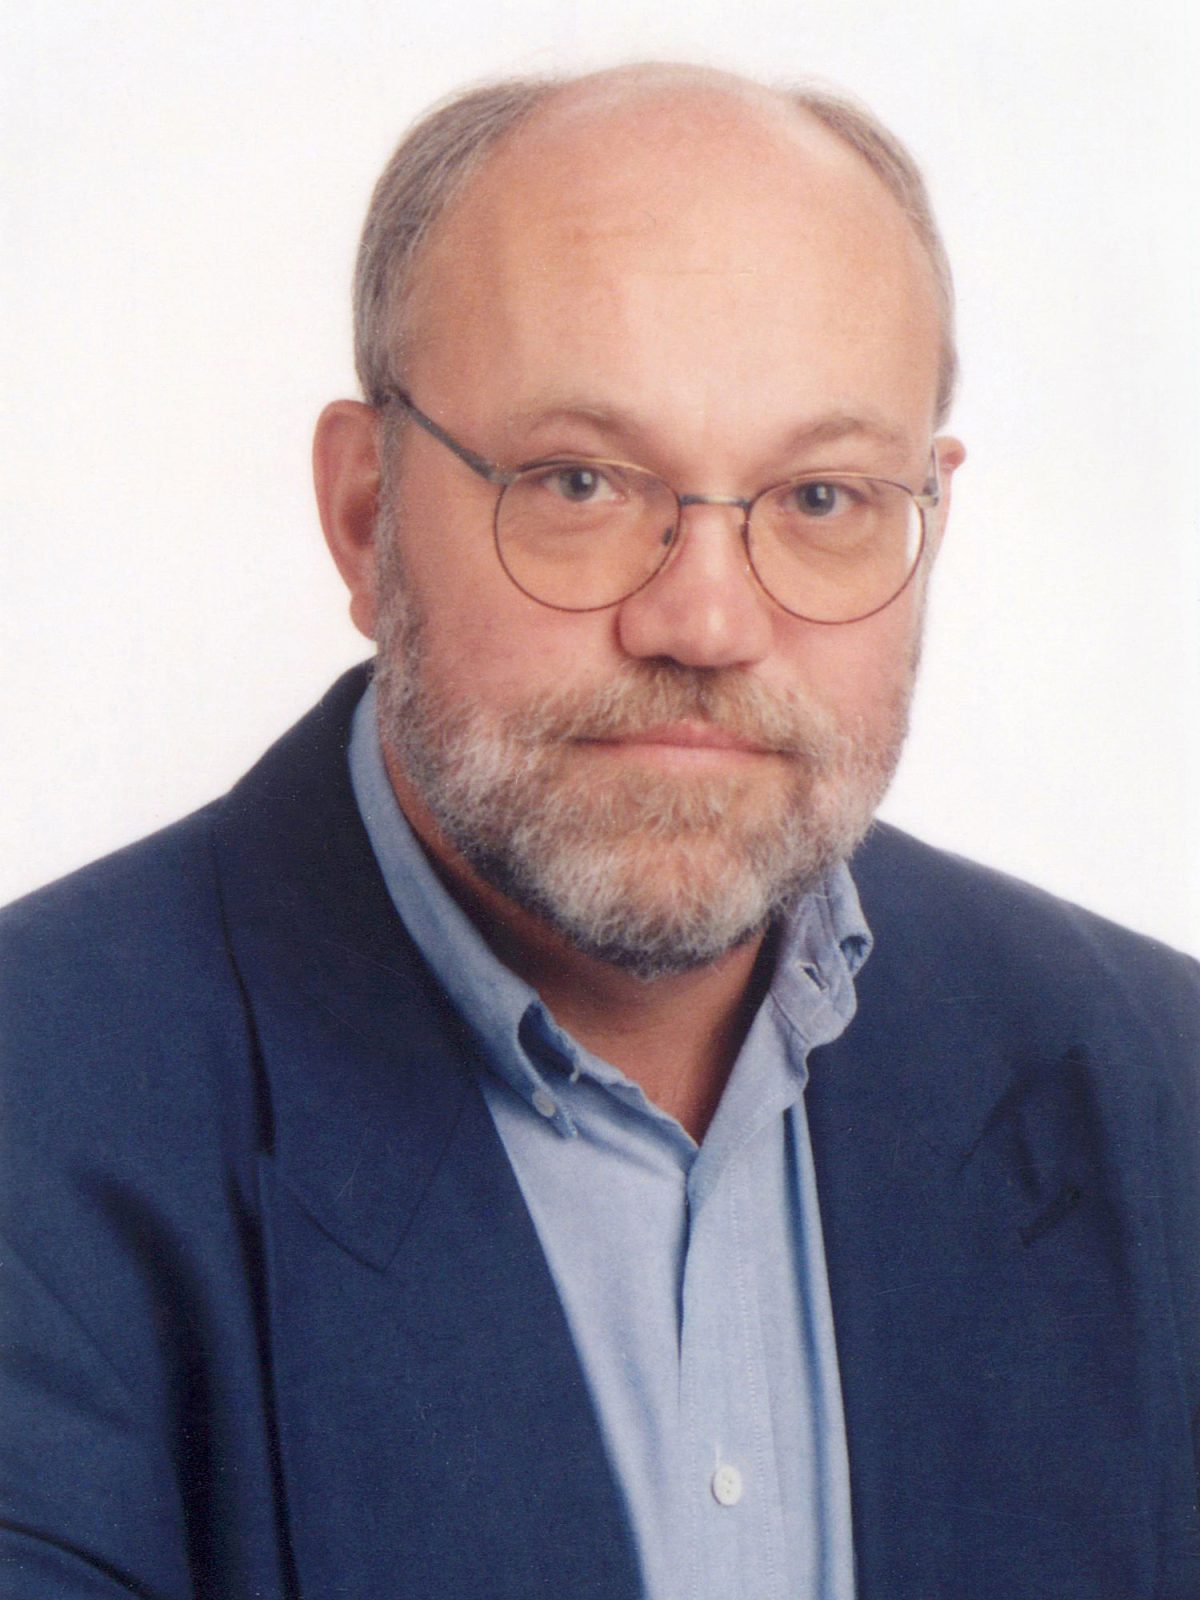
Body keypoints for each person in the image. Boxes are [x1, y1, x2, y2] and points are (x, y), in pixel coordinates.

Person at [1, 62, 1196, 1600]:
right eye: (579, 480)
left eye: (821, 498)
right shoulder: (35, 1115)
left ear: (928, 514)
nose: (705, 619)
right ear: (366, 515)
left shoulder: (1163, 1092)